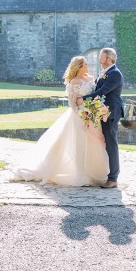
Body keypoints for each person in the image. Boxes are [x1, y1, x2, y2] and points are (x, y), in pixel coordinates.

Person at [11, 56, 109, 186]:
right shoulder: (74, 82)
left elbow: (95, 95)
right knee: (80, 145)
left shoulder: (91, 79)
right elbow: (72, 102)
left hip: (92, 116)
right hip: (79, 117)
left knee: (95, 143)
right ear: (79, 67)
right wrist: (82, 115)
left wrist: (93, 110)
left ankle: (95, 172)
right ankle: (81, 173)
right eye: (85, 64)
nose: (88, 66)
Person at [80, 47, 124, 189]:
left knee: (111, 144)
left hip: (110, 113)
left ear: (109, 59)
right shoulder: (106, 73)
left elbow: (102, 92)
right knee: (104, 143)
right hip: (102, 112)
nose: (99, 59)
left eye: (102, 57)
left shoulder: (115, 74)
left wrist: (83, 99)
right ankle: (105, 173)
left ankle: (113, 178)